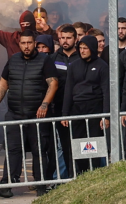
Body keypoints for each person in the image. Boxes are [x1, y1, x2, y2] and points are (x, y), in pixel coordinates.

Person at [0, 31, 59, 198]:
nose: (26, 46)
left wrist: (44, 105)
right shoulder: (13, 60)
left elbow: (53, 83)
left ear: (34, 43)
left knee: (39, 150)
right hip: (14, 114)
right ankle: (7, 185)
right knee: (12, 150)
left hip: (37, 115)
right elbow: (3, 84)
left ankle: (40, 185)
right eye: (23, 43)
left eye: (29, 42)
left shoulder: (44, 60)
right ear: (19, 44)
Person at [61, 35, 109, 174]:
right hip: (77, 109)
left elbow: (106, 91)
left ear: (92, 49)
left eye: (85, 48)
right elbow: (68, 90)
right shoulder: (74, 66)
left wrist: (105, 116)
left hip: (95, 109)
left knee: (94, 145)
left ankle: (94, 174)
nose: (82, 51)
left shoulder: (102, 66)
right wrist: (65, 114)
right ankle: (80, 174)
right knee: (77, 144)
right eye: (80, 48)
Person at [49, 25, 79, 178]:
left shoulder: (81, 57)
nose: (65, 41)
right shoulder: (53, 58)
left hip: (80, 109)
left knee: (82, 145)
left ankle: (83, 176)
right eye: (62, 38)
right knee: (65, 146)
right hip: (60, 109)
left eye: (68, 38)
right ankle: (68, 178)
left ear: (75, 38)